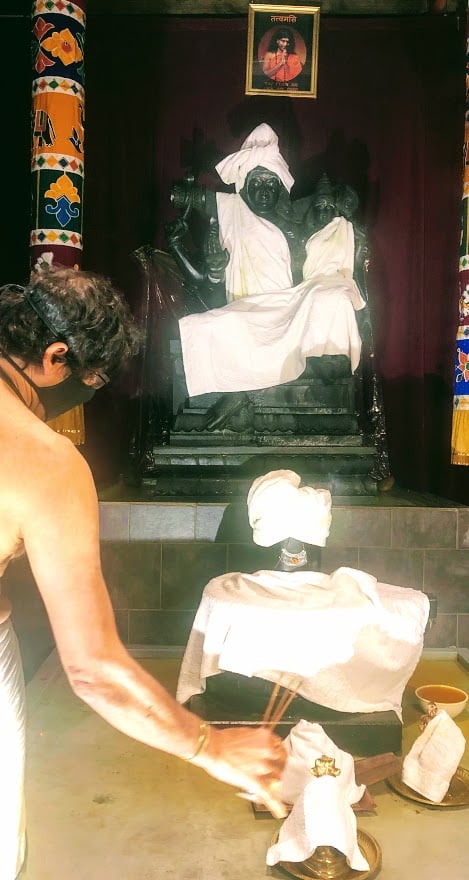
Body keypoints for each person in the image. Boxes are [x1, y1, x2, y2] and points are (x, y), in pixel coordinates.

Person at [0, 267, 287, 879]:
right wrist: (210, 745)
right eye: (92, 382)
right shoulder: (46, 461)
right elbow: (93, 669)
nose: (86, 396)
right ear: (56, 357)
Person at [177, 124, 366, 408]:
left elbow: (334, 214)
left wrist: (350, 231)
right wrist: (193, 174)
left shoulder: (297, 220)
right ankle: (241, 392)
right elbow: (183, 196)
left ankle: (298, 378)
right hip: (246, 308)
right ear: (244, 186)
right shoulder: (231, 209)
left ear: (280, 187)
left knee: (335, 299)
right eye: (257, 182)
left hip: (289, 307)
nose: (264, 190)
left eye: (270, 183)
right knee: (209, 325)